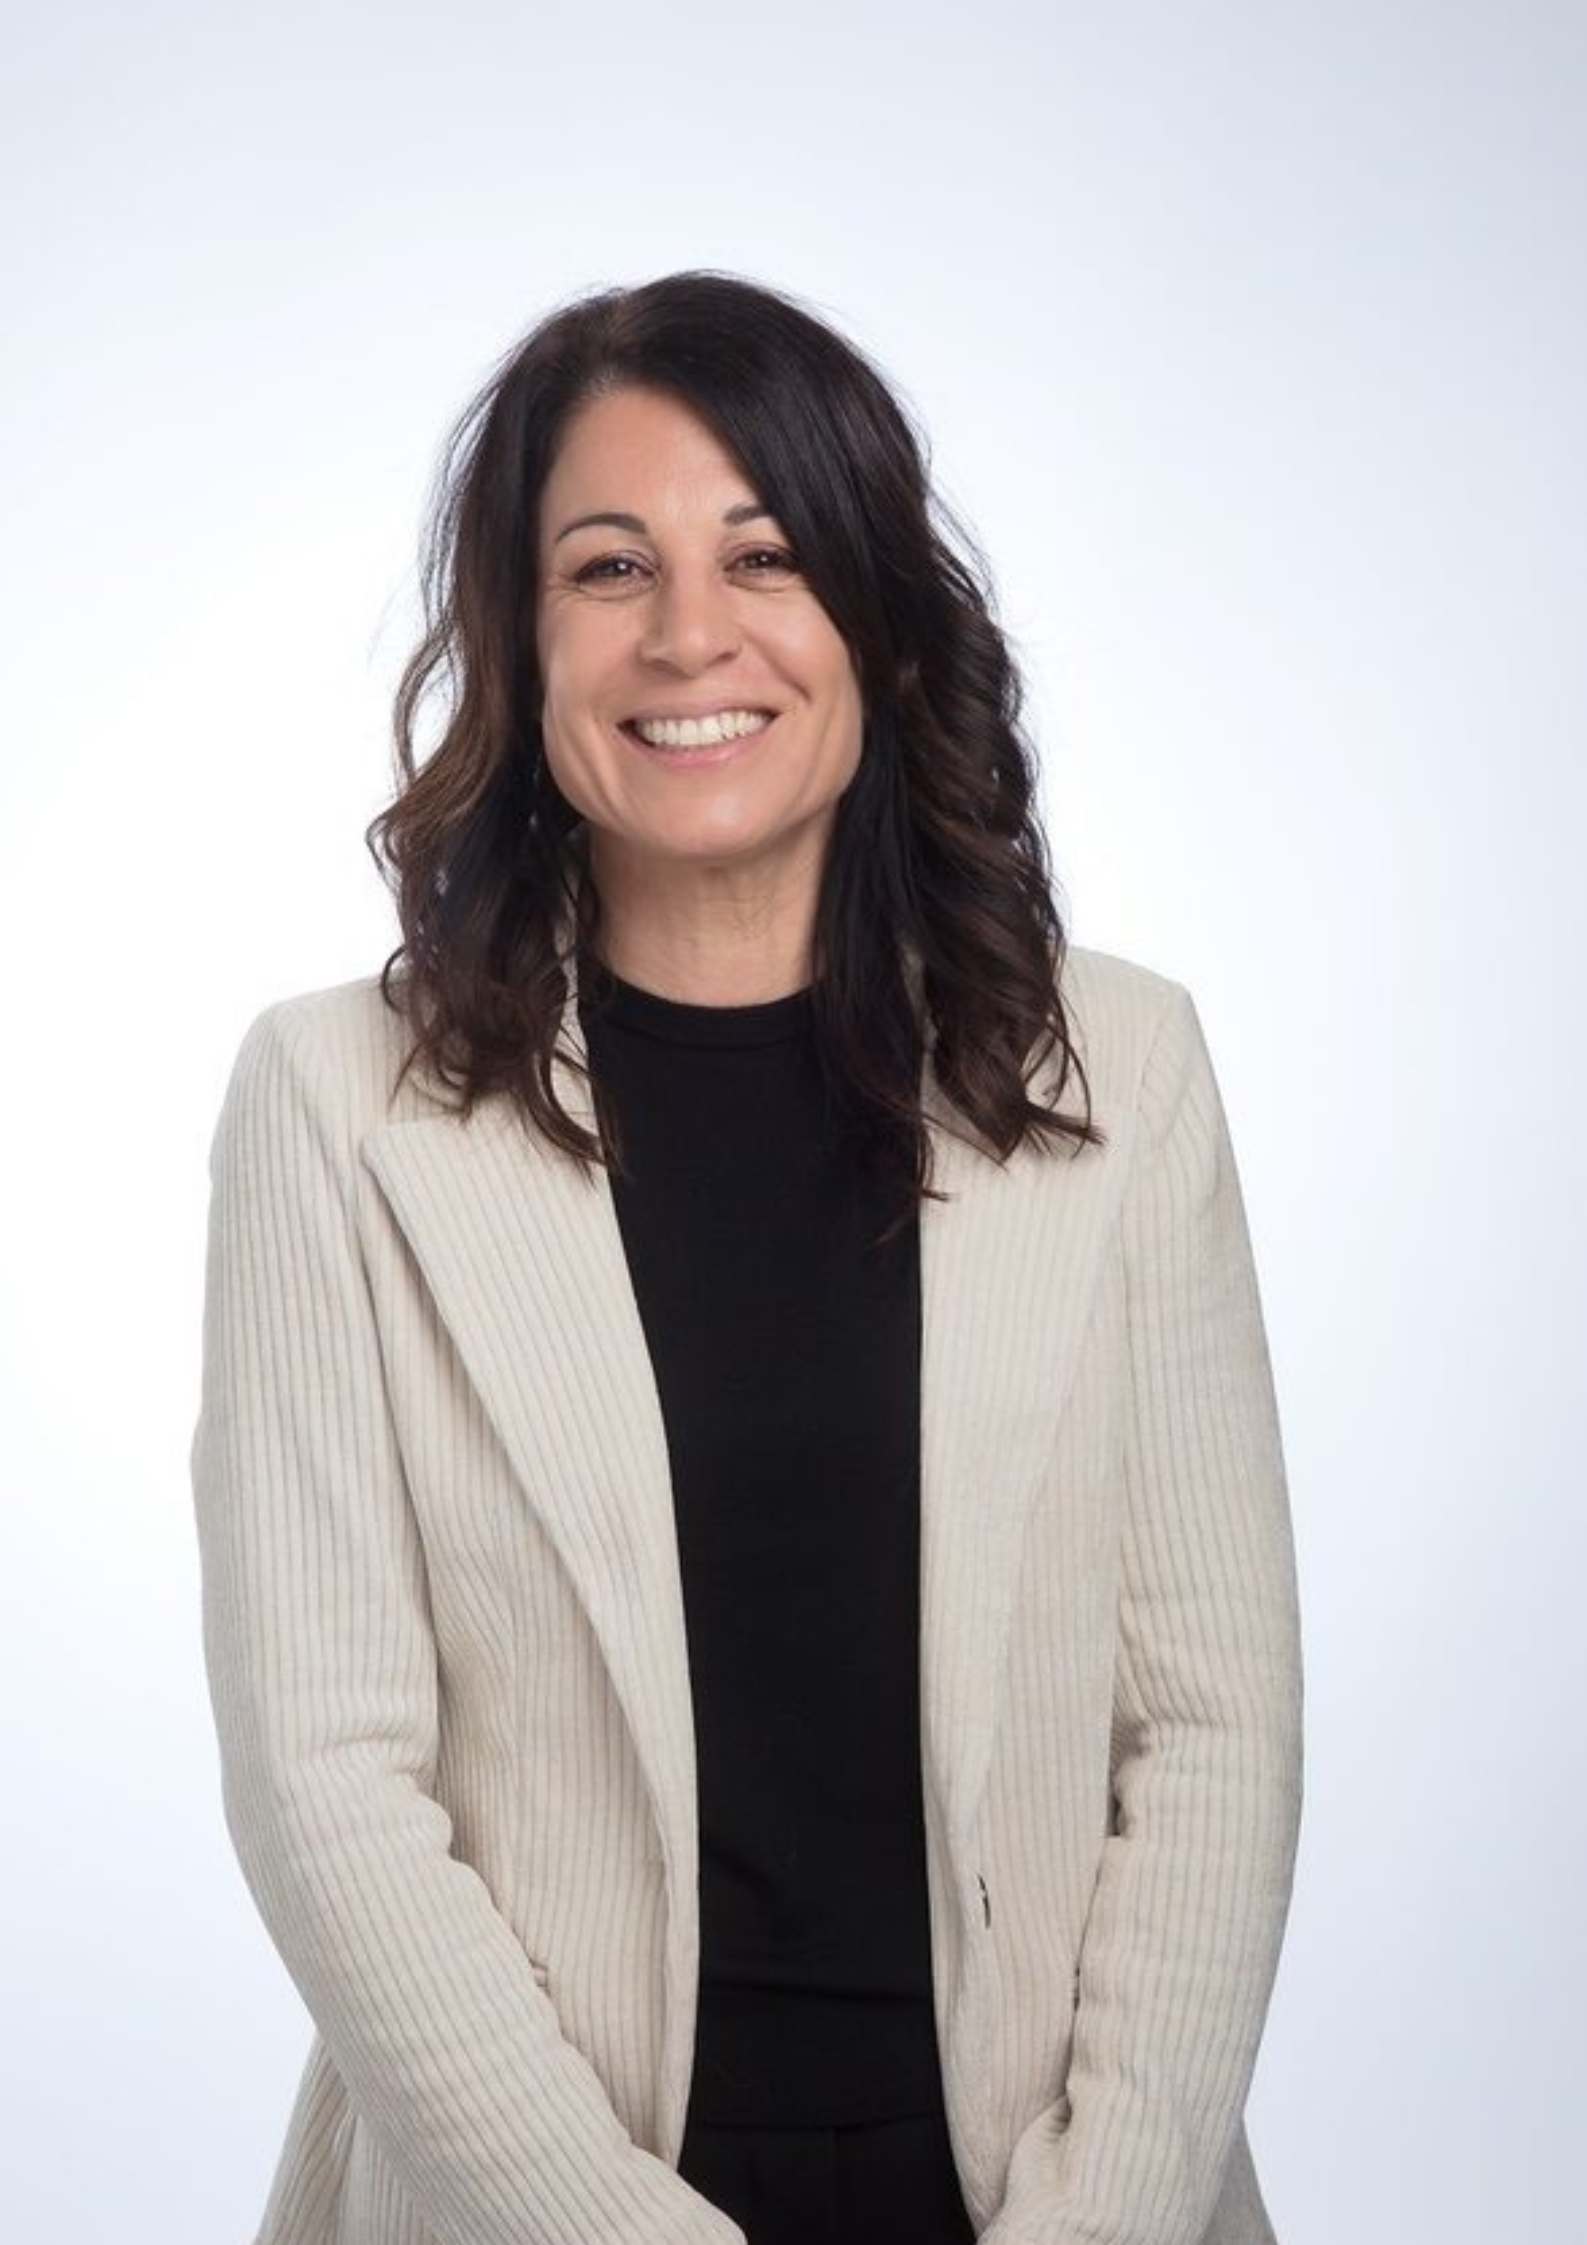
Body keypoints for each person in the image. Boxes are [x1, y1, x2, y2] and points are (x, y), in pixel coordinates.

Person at [191, 269, 1304, 2245]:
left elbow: (1209, 1719)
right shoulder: (331, 1103)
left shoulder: (1122, 1065)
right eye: (607, 565)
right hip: (528, 2204)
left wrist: (1103, 2213)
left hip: (1048, 2195)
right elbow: (329, 1783)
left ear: (874, 614)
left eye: (765, 552)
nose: (688, 632)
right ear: (520, 644)